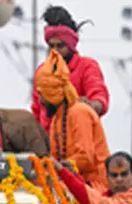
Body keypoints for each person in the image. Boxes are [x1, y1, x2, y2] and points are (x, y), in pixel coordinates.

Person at [35, 49, 110, 189]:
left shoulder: (79, 112)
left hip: (96, 188)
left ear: (52, 93)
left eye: (41, 94)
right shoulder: (57, 118)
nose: (39, 101)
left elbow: (85, 158)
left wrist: (57, 167)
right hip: (72, 183)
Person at [31, 5, 109, 132]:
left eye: (60, 46)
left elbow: (100, 98)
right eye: (51, 46)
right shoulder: (42, 72)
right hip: (48, 143)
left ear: (71, 46)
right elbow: (36, 111)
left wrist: (88, 106)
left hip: (80, 140)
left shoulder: (87, 66)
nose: (55, 51)